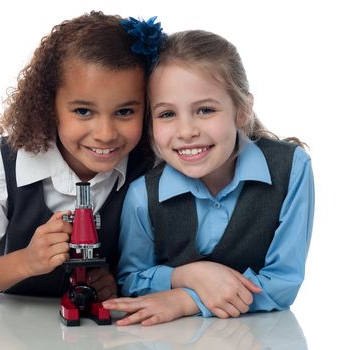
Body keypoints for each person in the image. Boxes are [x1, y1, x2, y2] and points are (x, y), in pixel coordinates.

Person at [102, 29, 314, 325]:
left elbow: (283, 281)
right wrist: (186, 274)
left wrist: (187, 298)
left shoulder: (291, 168)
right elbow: (130, 279)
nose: (186, 131)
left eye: (205, 110)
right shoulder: (143, 195)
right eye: (167, 114)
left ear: (242, 111)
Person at [0, 12, 160, 300]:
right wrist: (26, 261)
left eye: (124, 112)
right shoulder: (2, 166)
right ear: (49, 105)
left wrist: (113, 285)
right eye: (83, 111)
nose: (105, 134)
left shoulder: (151, 166)